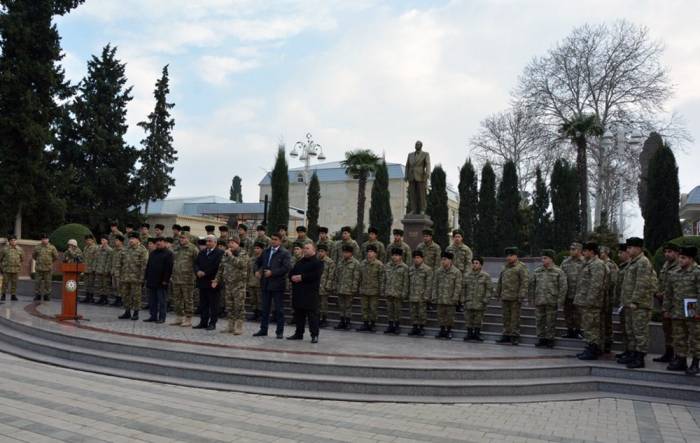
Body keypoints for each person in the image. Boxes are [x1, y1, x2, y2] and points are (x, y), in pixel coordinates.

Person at [618, 237, 655, 369]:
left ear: (638, 248)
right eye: (627, 248)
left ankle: (640, 357)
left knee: (640, 332)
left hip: (639, 305)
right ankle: (633, 354)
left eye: (630, 248)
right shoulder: (633, 262)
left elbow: (642, 284)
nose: (628, 250)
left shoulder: (643, 262)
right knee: (631, 331)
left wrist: (635, 301)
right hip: (629, 304)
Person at [663, 246, 700, 375]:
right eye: (679, 257)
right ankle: (681, 360)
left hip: (692, 311)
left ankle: (695, 363)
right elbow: (668, 293)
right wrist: (666, 309)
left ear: (690, 259)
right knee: (679, 338)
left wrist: (698, 311)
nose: (680, 260)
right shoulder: (675, 273)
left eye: (683, 258)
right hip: (677, 311)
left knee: (695, 339)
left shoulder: (697, 272)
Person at [253, 233, 291, 338]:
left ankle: (279, 332)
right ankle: (263, 329)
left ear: (280, 241)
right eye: (272, 239)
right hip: (265, 284)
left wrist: (272, 273)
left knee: (279, 309)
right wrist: (256, 271)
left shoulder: (285, 253)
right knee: (265, 308)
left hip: (278, 285)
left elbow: (286, 268)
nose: (273, 241)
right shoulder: (266, 251)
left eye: (275, 239)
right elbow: (257, 262)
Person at [574, 242, 607, 360]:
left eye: (585, 251)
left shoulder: (597, 264)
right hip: (586, 302)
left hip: (591, 303)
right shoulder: (588, 264)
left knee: (592, 326)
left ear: (592, 252)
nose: (583, 253)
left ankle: (593, 349)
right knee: (588, 326)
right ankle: (591, 347)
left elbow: (596, 284)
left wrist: (590, 300)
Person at [528, 249, 567, 349]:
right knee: (539, 321)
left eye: (545, 258)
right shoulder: (537, 271)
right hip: (539, 300)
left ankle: (550, 339)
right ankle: (541, 339)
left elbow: (563, 287)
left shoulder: (558, 271)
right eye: (542, 258)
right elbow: (532, 286)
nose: (543, 260)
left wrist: (560, 301)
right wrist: (531, 299)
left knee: (551, 321)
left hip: (551, 301)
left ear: (551, 259)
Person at [287, 243, 324, 343]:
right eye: (304, 248)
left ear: (313, 250)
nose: (305, 250)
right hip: (298, 293)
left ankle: (314, 335)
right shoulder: (300, 262)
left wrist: (301, 277)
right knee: (299, 315)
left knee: (312, 316)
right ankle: (299, 333)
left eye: (308, 248)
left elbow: (316, 275)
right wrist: (292, 277)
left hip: (310, 294)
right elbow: (291, 273)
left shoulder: (318, 263)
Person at [213, 237, 248, 335]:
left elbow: (241, 264)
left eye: (232, 243)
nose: (230, 245)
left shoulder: (243, 253)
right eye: (229, 243)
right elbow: (221, 268)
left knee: (239, 306)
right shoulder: (226, 254)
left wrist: (231, 256)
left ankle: (239, 326)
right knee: (229, 306)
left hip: (239, 285)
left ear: (238, 243)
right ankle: (230, 326)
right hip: (228, 284)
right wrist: (216, 279)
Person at [496, 247, 528, 345]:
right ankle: (506, 335)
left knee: (515, 318)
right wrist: (498, 293)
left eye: (511, 255)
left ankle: (514, 336)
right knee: (506, 318)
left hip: (515, 297)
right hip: (505, 296)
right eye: (507, 256)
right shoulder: (505, 267)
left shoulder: (521, 267)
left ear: (516, 256)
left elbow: (524, 282)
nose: (508, 257)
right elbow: (500, 281)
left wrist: (522, 295)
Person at [655, 242, 681, 363]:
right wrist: (658, 292)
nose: (667, 254)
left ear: (677, 253)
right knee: (667, 330)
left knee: (677, 332)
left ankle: (678, 356)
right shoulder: (666, 265)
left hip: (676, 305)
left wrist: (665, 294)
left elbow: (679, 287)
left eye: (670, 252)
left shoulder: (680, 266)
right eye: (665, 252)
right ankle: (668, 353)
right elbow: (661, 282)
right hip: (664, 304)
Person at [193, 235, 225, 331]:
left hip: (213, 282)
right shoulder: (202, 252)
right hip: (202, 282)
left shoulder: (220, 253)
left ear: (215, 242)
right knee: (203, 304)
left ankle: (212, 323)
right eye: (207, 241)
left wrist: (205, 272)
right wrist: (197, 271)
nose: (207, 243)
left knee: (213, 305)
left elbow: (217, 266)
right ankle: (203, 322)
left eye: (210, 241)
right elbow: (196, 263)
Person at [117, 233, 149, 320]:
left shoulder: (142, 250)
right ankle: (127, 312)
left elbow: (144, 265)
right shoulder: (125, 249)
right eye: (130, 238)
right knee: (125, 295)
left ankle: (136, 313)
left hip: (136, 278)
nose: (131, 240)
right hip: (125, 277)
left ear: (138, 240)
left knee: (136, 296)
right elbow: (120, 263)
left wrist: (142, 278)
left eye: (133, 238)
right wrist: (119, 275)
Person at [431, 251, 462, 339]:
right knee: (440, 316)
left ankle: (448, 331)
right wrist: (434, 296)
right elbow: (435, 284)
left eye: (445, 259)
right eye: (442, 259)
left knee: (449, 317)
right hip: (440, 298)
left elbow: (458, 287)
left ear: (450, 261)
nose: (443, 261)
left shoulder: (456, 272)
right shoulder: (438, 271)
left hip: (450, 299)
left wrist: (455, 298)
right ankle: (442, 330)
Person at [170, 233, 198, 327]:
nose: (181, 239)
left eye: (183, 237)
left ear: (188, 239)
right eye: (180, 238)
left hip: (187, 279)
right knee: (177, 299)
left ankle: (188, 319)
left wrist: (195, 275)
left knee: (188, 300)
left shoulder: (193, 249)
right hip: (176, 278)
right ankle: (179, 317)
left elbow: (197, 263)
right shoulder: (177, 248)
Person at [462, 257, 493, 342]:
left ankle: (476, 334)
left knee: (478, 320)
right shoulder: (467, 275)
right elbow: (463, 288)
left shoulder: (485, 276)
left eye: (476, 263)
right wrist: (463, 299)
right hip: (469, 301)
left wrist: (485, 300)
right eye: (473, 263)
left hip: (479, 302)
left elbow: (489, 289)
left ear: (481, 265)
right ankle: (469, 334)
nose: (474, 265)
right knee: (468, 319)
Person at [143, 238, 173, 324]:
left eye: (160, 242)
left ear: (164, 242)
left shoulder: (168, 254)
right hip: (152, 280)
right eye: (157, 242)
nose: (158, 243)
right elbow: (148, 266)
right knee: (152, 300)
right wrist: (146, 277)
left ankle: (162, 318)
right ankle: (153, 316)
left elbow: (169, 268)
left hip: (162, 281)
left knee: (162, 301)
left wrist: (165, 280)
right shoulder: (153, 253)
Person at [357, 244, 384, 332]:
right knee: (364, 308)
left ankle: (372, 324)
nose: (369, 253)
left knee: (373, 308)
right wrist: (359, 287)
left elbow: (381, 278)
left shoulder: (379, 264)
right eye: (368, 252)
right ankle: (365, 323)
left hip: (374, 290)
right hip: (364, 289)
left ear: (375, 254)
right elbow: (359, 277)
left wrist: (381, 289)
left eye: (371, 252)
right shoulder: (362, 263)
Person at [383, 247, 409, 334]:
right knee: (389, 310)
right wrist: (384, 290)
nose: (394, 257)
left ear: (400, 256)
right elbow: (384, 279)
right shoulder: (387, 266)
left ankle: (397, 326)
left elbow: (406, 282)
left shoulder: (404, 267)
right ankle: (390, 326)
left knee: (397, 311)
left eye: (397, 255)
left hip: (398, 293)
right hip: (389, 291)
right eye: (393, 255)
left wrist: (404, 293)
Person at [333, 244, 360, 330]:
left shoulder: (355, 263)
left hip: (349, 288)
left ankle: (348, 322)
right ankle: (342, 321)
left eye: (347, 252)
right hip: (340, 287)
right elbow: (336, 275)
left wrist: (354, 288)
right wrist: (336, 286)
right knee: (341, 306)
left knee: (348, 306)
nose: (345, 254)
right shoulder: (340, 262)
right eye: (344, 252)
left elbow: (356, 277)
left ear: (351, 253)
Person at [561, 242, 584, 338]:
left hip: (580, 293)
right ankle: (570, 331)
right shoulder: (565, 262)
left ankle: (579, 331)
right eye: (570, 249)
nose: (571, 251)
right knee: (568, 313)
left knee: (579, 314)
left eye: (573, 249)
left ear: (579, 250)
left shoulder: (585, 262)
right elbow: (561, 277)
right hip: (568, 293)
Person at [446, 229, 473, 312]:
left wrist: (466, 274)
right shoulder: (449, 249)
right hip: (451, 272)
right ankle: (451, 303)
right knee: (450, 288)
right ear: (453, 238)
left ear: (462, 238)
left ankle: (460, 304)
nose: (457, 238)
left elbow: (469, 263)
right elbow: (445, 260)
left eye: (459, 237)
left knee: (460, 288)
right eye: (455, 237)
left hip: (462, 272)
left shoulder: (466, 249)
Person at [407, 250, 432, 336]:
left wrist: (426, 295)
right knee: (413, 312)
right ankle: (414, 327)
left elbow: (429, 284)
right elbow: (408, 282)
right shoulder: (410, 269)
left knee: (421, 313)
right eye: (414, 258)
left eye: (418, 258)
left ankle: (421, 328)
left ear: (422, 258)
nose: (416, 259)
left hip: (422, 295)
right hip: (412, 294)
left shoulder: (427, 269)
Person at [599, 246, 619, 353]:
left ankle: (608, 340)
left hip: (608, 297)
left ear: (606, 252)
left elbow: (613, 282)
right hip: (601, 298)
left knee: (607, 320)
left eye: (602, 252)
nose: (600, 254)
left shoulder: (611, 265)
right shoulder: (599, 264)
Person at [614, 244, 631, 362]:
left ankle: (634, 353)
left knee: (632, 330)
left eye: (621, 252)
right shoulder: (623, 267)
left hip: (631, 303)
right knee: (625, 329)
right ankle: (627, 350)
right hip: (623, 301)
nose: (619, 255)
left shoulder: (635, 266)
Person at [405, 140, 431, 215]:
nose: (417, 145)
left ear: (421, 146)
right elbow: (407, 166)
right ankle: (413, 210)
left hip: (421, 176)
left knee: (421, 194)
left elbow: (428, 164)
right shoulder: (410, 155)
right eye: (416, 144)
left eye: (418, 144)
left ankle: (422, 210)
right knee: (412, 194)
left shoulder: (425, 154)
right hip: (411, 176)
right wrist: (406, 175)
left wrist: (427, 174)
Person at [32, 233, 58, 302]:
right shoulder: (37, 247)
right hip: (39, 268)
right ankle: (38, 295)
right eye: (43, 239)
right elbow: (34, 256)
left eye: (46, 239)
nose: (44, 240)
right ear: (41, 240)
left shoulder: (52, 247)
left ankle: (47, 296)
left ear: (48, 240)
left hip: (48, 268)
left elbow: (55, 257)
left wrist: (49, 262)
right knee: (37, 282)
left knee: (48, 283)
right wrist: (39, 261)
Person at [317, 243, 335, 328]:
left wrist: (328, 286)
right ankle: (317, 318)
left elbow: (331, 276)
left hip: (324, 286)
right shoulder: (316, 260)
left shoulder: (330, 262)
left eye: (322, 251)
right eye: (319, 251)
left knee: (324, 304)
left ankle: (324, 319)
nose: (320, 253)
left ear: (326, 252)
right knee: (317, 304)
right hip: (316, 286)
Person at [0, 235, 23, 301]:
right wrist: (2, 268)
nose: (13, 241)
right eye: (12, 240)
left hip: (16, 269)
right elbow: (0, 259)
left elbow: (22, 258)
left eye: (14, 240)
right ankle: (3, 295)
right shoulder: (4, 249)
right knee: (5, 283)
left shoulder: (19, 249)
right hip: (6, 269)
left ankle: (13, 295)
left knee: (14, 283)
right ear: (9, 241)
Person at [247, 241, 264, 321]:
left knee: (260, 300)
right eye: (255, 248)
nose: (256, 250)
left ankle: (261, 314)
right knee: (252, 300)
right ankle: (255, 313)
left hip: (260, 283)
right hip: (251, 282)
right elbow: (248, 270)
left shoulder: (264, 259)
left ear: (262, 249)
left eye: (258, 248)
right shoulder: (251, 259)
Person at [94, 236, 113, 305]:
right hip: (99, 269)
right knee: (100, 285)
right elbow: (96, 259)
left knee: (105, 285)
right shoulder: (99, 249)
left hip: (105, 271)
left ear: (107, 241)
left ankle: (105, 299)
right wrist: (95, 268)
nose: (102, 241)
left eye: (104, 240)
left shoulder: (110, 250)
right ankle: (101, 298)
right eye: (101, 240)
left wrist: (107, 270)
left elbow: (109, 261)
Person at [81, 234, 99, 303]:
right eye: (87, 240)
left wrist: (94, 269)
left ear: (92, 240)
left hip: (91, 269)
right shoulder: (85, 248)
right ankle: (87, 297)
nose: (88, 241)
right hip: (85, 269)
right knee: (86, 284)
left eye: (89, 240)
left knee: (91, 284)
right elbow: (83, 258)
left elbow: (96, 259)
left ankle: (91, 297)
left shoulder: (95, 248)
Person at [110, 234, 124, 307]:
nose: (115, 242)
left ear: (121, 242)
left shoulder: (123, 251)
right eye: (115, 240)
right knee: (114, 286)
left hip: (120, 272)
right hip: (114, 271)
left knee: (120, 287)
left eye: (117, 241)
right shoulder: (114, 250)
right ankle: (116, 299)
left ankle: (120, 300)